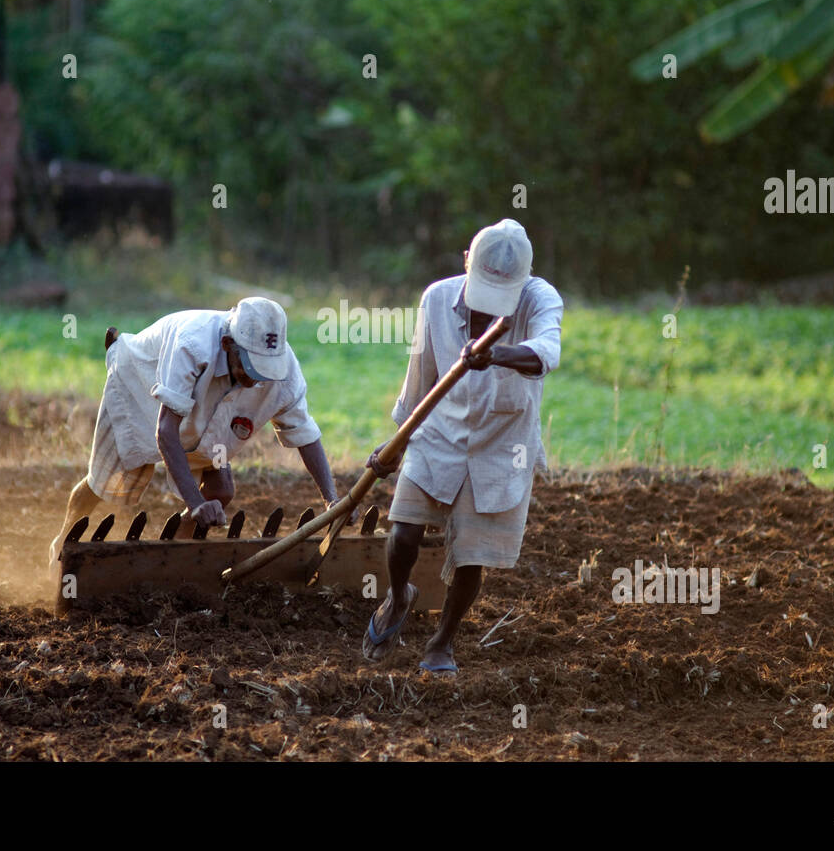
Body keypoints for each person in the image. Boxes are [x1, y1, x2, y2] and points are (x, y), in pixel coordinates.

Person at [362, 219, 562, 674]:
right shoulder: (436, 298)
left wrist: (497, 354)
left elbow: (547, 351)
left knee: (473, 552)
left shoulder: (540, 299)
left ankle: (442, 641)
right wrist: (397, 441)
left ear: (523, 279)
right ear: (466, 261)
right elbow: (419, 379)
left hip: (502, 443)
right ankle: (398, 596)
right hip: (438, 434)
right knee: (404, 531)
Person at [48, 296, 346, 573]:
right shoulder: (193, 344)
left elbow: (304, 432)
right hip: (139, 388)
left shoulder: (281, 367)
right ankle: (63, 541)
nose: (256, 380)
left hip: (205, 409)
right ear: (229, 344)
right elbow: (166, 431)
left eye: (265, 370)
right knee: (108, 484)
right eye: (250, 367)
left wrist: (332, 501)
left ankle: (172, 559)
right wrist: (194, 503)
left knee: (220, 491)